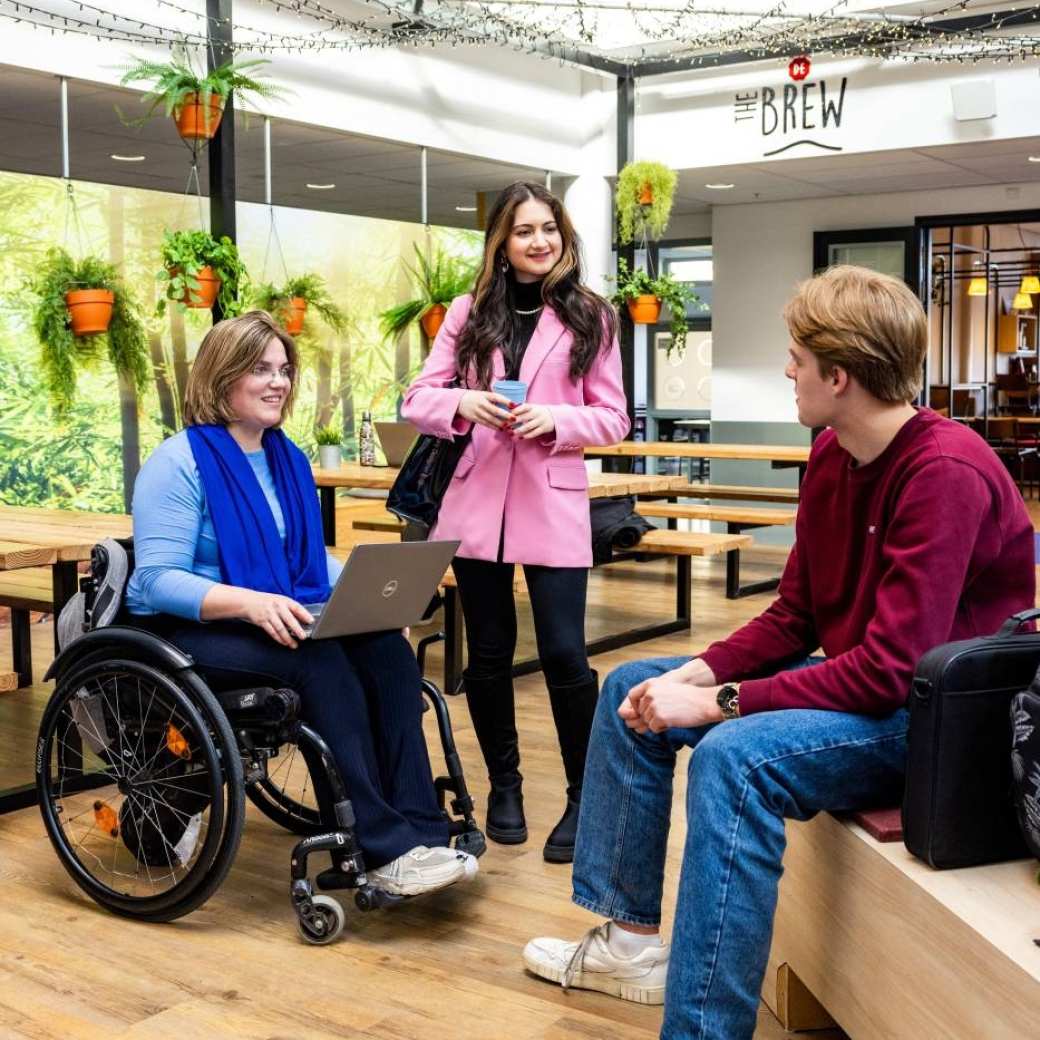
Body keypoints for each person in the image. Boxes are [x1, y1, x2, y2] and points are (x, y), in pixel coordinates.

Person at [522, 265, 1036, 1037]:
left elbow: (894, 670)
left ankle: (702, 1028)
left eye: (796, 357)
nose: (786, 370)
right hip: (862, 688)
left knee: (734, 759)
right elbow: (797, 614)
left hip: (929, 719)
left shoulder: (945, 472)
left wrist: (717, 703)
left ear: (840, 374)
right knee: (630, 685)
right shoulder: (832, 455)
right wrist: (700, 670)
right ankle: (627, 947)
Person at [125, 311, 476, 898]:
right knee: (318, 663)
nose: (278, 381)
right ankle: (381, 846)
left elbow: (304, 562)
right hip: (190, 629)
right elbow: (154, 580)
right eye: (260, 369)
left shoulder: (285, 458)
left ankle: (422, 831)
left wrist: (368, 594)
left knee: (386, 650)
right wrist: (252, 603)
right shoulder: (177, 462)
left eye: (284, 369)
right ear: (221, 376)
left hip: (279, 614)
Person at [401, 181, 629, 863]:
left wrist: (557, 419)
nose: (539, 242)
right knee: (490, 656)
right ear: (501, 240)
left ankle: (586, 795)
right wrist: (463, 403)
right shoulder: (469, 313)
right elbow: (418, 397)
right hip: (475, 508)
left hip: (552, 499)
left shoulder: (594, 316)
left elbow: (615, 418)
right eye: (525, 230)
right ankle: (505, 785)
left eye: (550, 230)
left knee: (565, 655)